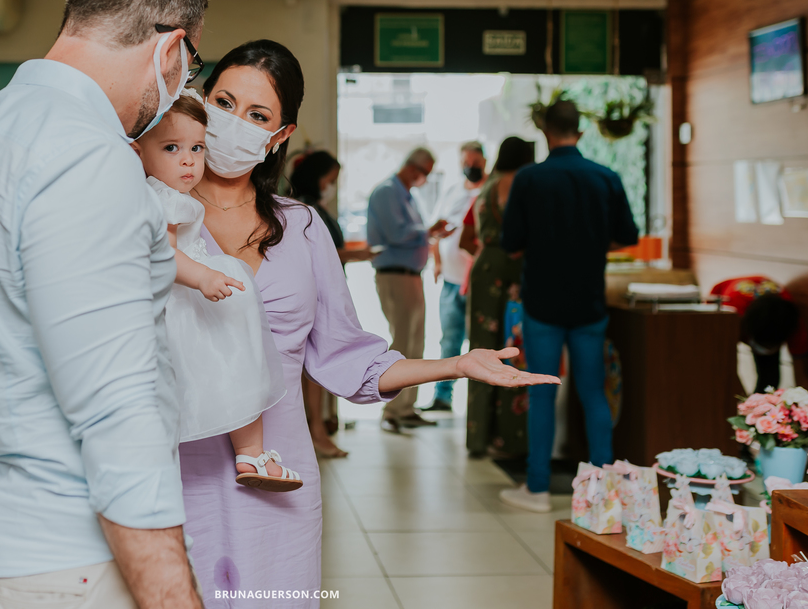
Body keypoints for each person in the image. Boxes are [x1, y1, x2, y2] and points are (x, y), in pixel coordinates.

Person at [180, 39, 558, 605]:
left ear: (279, 136)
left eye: (257, 115)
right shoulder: (153, 214)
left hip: (275, 475)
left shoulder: (302, 227)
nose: (234, 124)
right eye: (224, 102)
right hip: (173, 467)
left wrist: (456, 364)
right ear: (200, 100)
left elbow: (347, 357)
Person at [0, 0, 204, 609]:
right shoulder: (90, 156)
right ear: (170, 50)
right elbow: (117, 409)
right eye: (190, 68)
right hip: (68, 557)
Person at [131, 90, 296, 490]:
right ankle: (251, 452)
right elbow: (163, 256)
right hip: (182, 300)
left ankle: (250, 452)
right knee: (233, 365)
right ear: (138, 154)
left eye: (197, 147)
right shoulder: (162, 197)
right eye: (172, 148)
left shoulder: (168, 195)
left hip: (187, 294)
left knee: (234, 366)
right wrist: (204, 277)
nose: (188, 160)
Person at [498, 100, 638, 513]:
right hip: (590, 302)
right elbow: (626, 235)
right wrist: (593, 245)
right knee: (593, 393)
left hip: (542, 301)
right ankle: (602, 495)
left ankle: (537, 489)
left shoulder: (529, 179)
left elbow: (511, 244)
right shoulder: (606, 177)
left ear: (545, 132)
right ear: (581, 131)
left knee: (541, 392)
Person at [287, 149, 371, 458]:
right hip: (311, 295)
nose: (332, 184)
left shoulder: (315, 208)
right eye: (331, 179)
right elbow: (316, 256)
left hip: (322, 294)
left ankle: (317, 430)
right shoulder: (302, 209)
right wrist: (357, 255)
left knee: (317, 366)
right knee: (310, 368)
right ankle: (315, 432)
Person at [459, 136, 536, 457]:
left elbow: (470, 237)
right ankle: (508, 439)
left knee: (481, 352)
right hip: (506, 272)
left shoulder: (487, 184)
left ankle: (479, 437)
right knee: (509, 351)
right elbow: (520, 230)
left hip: (485, 268)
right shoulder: (515, 181)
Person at [366, 147, 451, 432]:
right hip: (395, 275)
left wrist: (430, 232)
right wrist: (429, 231)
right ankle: (392, 410)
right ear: (412, 166)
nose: (424, 178)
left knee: (415, 344)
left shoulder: (406, 195)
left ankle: (406, 407)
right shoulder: (388, 192)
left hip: (411, 276)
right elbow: (397, 233)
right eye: (424, 172)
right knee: (402, 343)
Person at [425, 140, 487, 413]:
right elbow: (437, 231)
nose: (470, 167)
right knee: (449, 340)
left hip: (480, 283)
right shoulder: (451, 191)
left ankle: (480, 402)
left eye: (474, 162)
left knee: (481, 342)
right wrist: (437, 262)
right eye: (465, 162)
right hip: (451, 280)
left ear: (484, 161)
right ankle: (442, 397)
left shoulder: (489, 191)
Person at [710, 276, 808, 393]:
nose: (766, 349)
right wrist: (744, 403)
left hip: (767, 319)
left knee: (770, 380)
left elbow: (801, 367)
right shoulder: (733, 313)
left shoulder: (790, 319)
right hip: (724, 301)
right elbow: (725, 368)